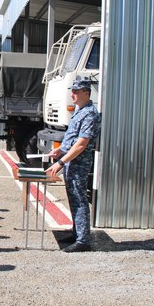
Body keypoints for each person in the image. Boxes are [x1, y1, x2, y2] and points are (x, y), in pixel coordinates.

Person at [45, 79, 101, 252]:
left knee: (79, 199)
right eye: (73, 91)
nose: (72, 95)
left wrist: (61, 162)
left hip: (79, 163)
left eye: (76, 92)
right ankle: (77, 233)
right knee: (73, 198)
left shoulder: (90, 113)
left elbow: (82, 144)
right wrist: (60, 150)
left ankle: (83, 240)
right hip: (72, 161)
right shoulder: (80, 111)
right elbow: (73, 139)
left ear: (86, 93)